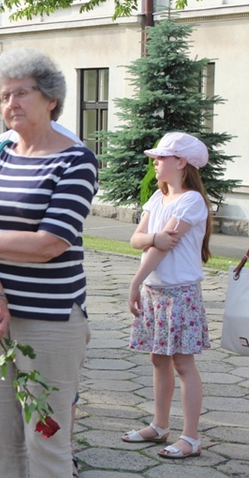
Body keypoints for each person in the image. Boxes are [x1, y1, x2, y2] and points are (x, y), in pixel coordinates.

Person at [0, 47, 98, 477]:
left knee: (46, 438)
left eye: (20, 94)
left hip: (48, 316)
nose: (10, 104)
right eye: (2, 96)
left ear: (51, 98)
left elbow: (50, 243)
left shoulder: (76, 160)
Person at [121, 132, 211, 460]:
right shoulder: (158, 199)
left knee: (183, 363)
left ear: (181, 163)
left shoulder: (191, 201)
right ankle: (159, 426)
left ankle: (191, 437)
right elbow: (136, 240)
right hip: (155, 292)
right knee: (158, 359)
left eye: (161, 158)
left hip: (179, 294)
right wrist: (153, 237)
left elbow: (160, 249)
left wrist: (134, 281)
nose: (155, 162)